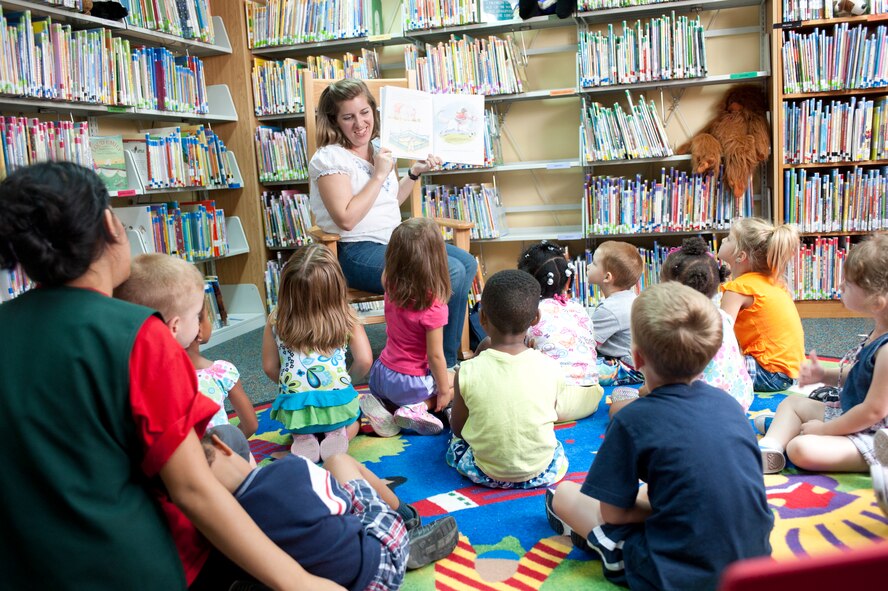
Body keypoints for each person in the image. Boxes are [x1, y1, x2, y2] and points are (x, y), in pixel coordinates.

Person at [0, 162, 341, 590]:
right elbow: (194, 489)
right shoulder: (138, 334)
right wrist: (299, 582)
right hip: (141, 567)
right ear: (110, 224)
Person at [545, 282, 773, 590]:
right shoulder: (731, 406)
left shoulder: (631, 420)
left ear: (637, 358)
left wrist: (659, 509)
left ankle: (607, 548)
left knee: (564, 495)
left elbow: (613, 513)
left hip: (677, 572)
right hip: (754, 564)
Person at [308, 77, 477, 368]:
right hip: (355, 252)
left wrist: (412, 173)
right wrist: (377, 175)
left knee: (466, 263)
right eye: (348, 117)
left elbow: (388, 201)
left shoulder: (379, 148)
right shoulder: (329, 158)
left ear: (375, 111)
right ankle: (443, 365)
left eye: (365, 113)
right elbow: (347, 219)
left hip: (393, 243)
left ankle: (438, 352)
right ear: (335, 121)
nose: (360, 123)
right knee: (450, 270)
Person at [201, 430, 460, 589]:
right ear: (224, 447)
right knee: (338, 462)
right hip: (373, 568)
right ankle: (404, 522)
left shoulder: (215, 527)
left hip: (311, 582)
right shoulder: (290, 469)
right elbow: (343, 505)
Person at [757, 233, 888, 474]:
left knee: (801, 448)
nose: (839, 288)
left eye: (847, 284)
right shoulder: (879, 331)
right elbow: (863, 378)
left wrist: (824, 430)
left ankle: (880, 459)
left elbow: (873, 411)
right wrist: (824, 375)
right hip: (851, 414)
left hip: (875, 434)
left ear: (877, 302)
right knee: (793, 403)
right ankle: (770, 448)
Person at [118, 254, 259, 445]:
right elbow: (251, 425)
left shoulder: (136, 380)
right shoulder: (221, 373)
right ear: (192, 327)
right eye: (199, 314)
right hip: (217, 459)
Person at [447, 269, 568, 489]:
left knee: (454, 439)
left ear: (482, 317)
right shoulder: (551, 367)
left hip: (485, 472)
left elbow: (458, 428)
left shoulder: (467, 371)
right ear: (536, 318)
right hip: (541, 471)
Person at [262, 244, 373, 462]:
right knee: (355, 418)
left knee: (299, 419)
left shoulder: (277, 318)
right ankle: (340, 435)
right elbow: (365, 360)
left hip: (297, 409)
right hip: (337, 401)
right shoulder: (346, 316)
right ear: (336, 287)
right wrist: (346, 381)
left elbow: (269, 366)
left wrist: (288, 386)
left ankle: (303, 439)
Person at [362, 217, 453, 437]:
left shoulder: (389, 284)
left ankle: (385, 409)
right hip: (412, 383)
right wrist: (443, 391)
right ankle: (420, 407)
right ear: (437, 259)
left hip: (381, 375)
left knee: (404, 391)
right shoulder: (434, 307)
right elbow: (435, 356)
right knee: (457, 380)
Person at [660, 236, 754, 411]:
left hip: (699, 406)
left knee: (622, 406)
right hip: (738, 402)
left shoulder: (678, 323)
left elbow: (668, 378)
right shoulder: (723, 316)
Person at [518, 240, 603, 422]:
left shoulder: (530, 314)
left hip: (551, 402)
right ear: (569, 281)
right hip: (592, 398)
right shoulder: (580, 309)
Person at [717, 216, 805, 392]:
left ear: (740, 255)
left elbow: (720, 336)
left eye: (729, 238)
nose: (723, 240)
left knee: (699, 365)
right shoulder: (771, 282)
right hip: (790, 373)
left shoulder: (739, 288)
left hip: (767, 373)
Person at [586, 240, 644, 384]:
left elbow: (588, 343)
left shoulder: (609, 309)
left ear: (607, 277)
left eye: (593, 263)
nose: (587, 266)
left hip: (629, 369)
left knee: (581, 367)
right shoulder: (630, 298)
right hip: (642, 365)